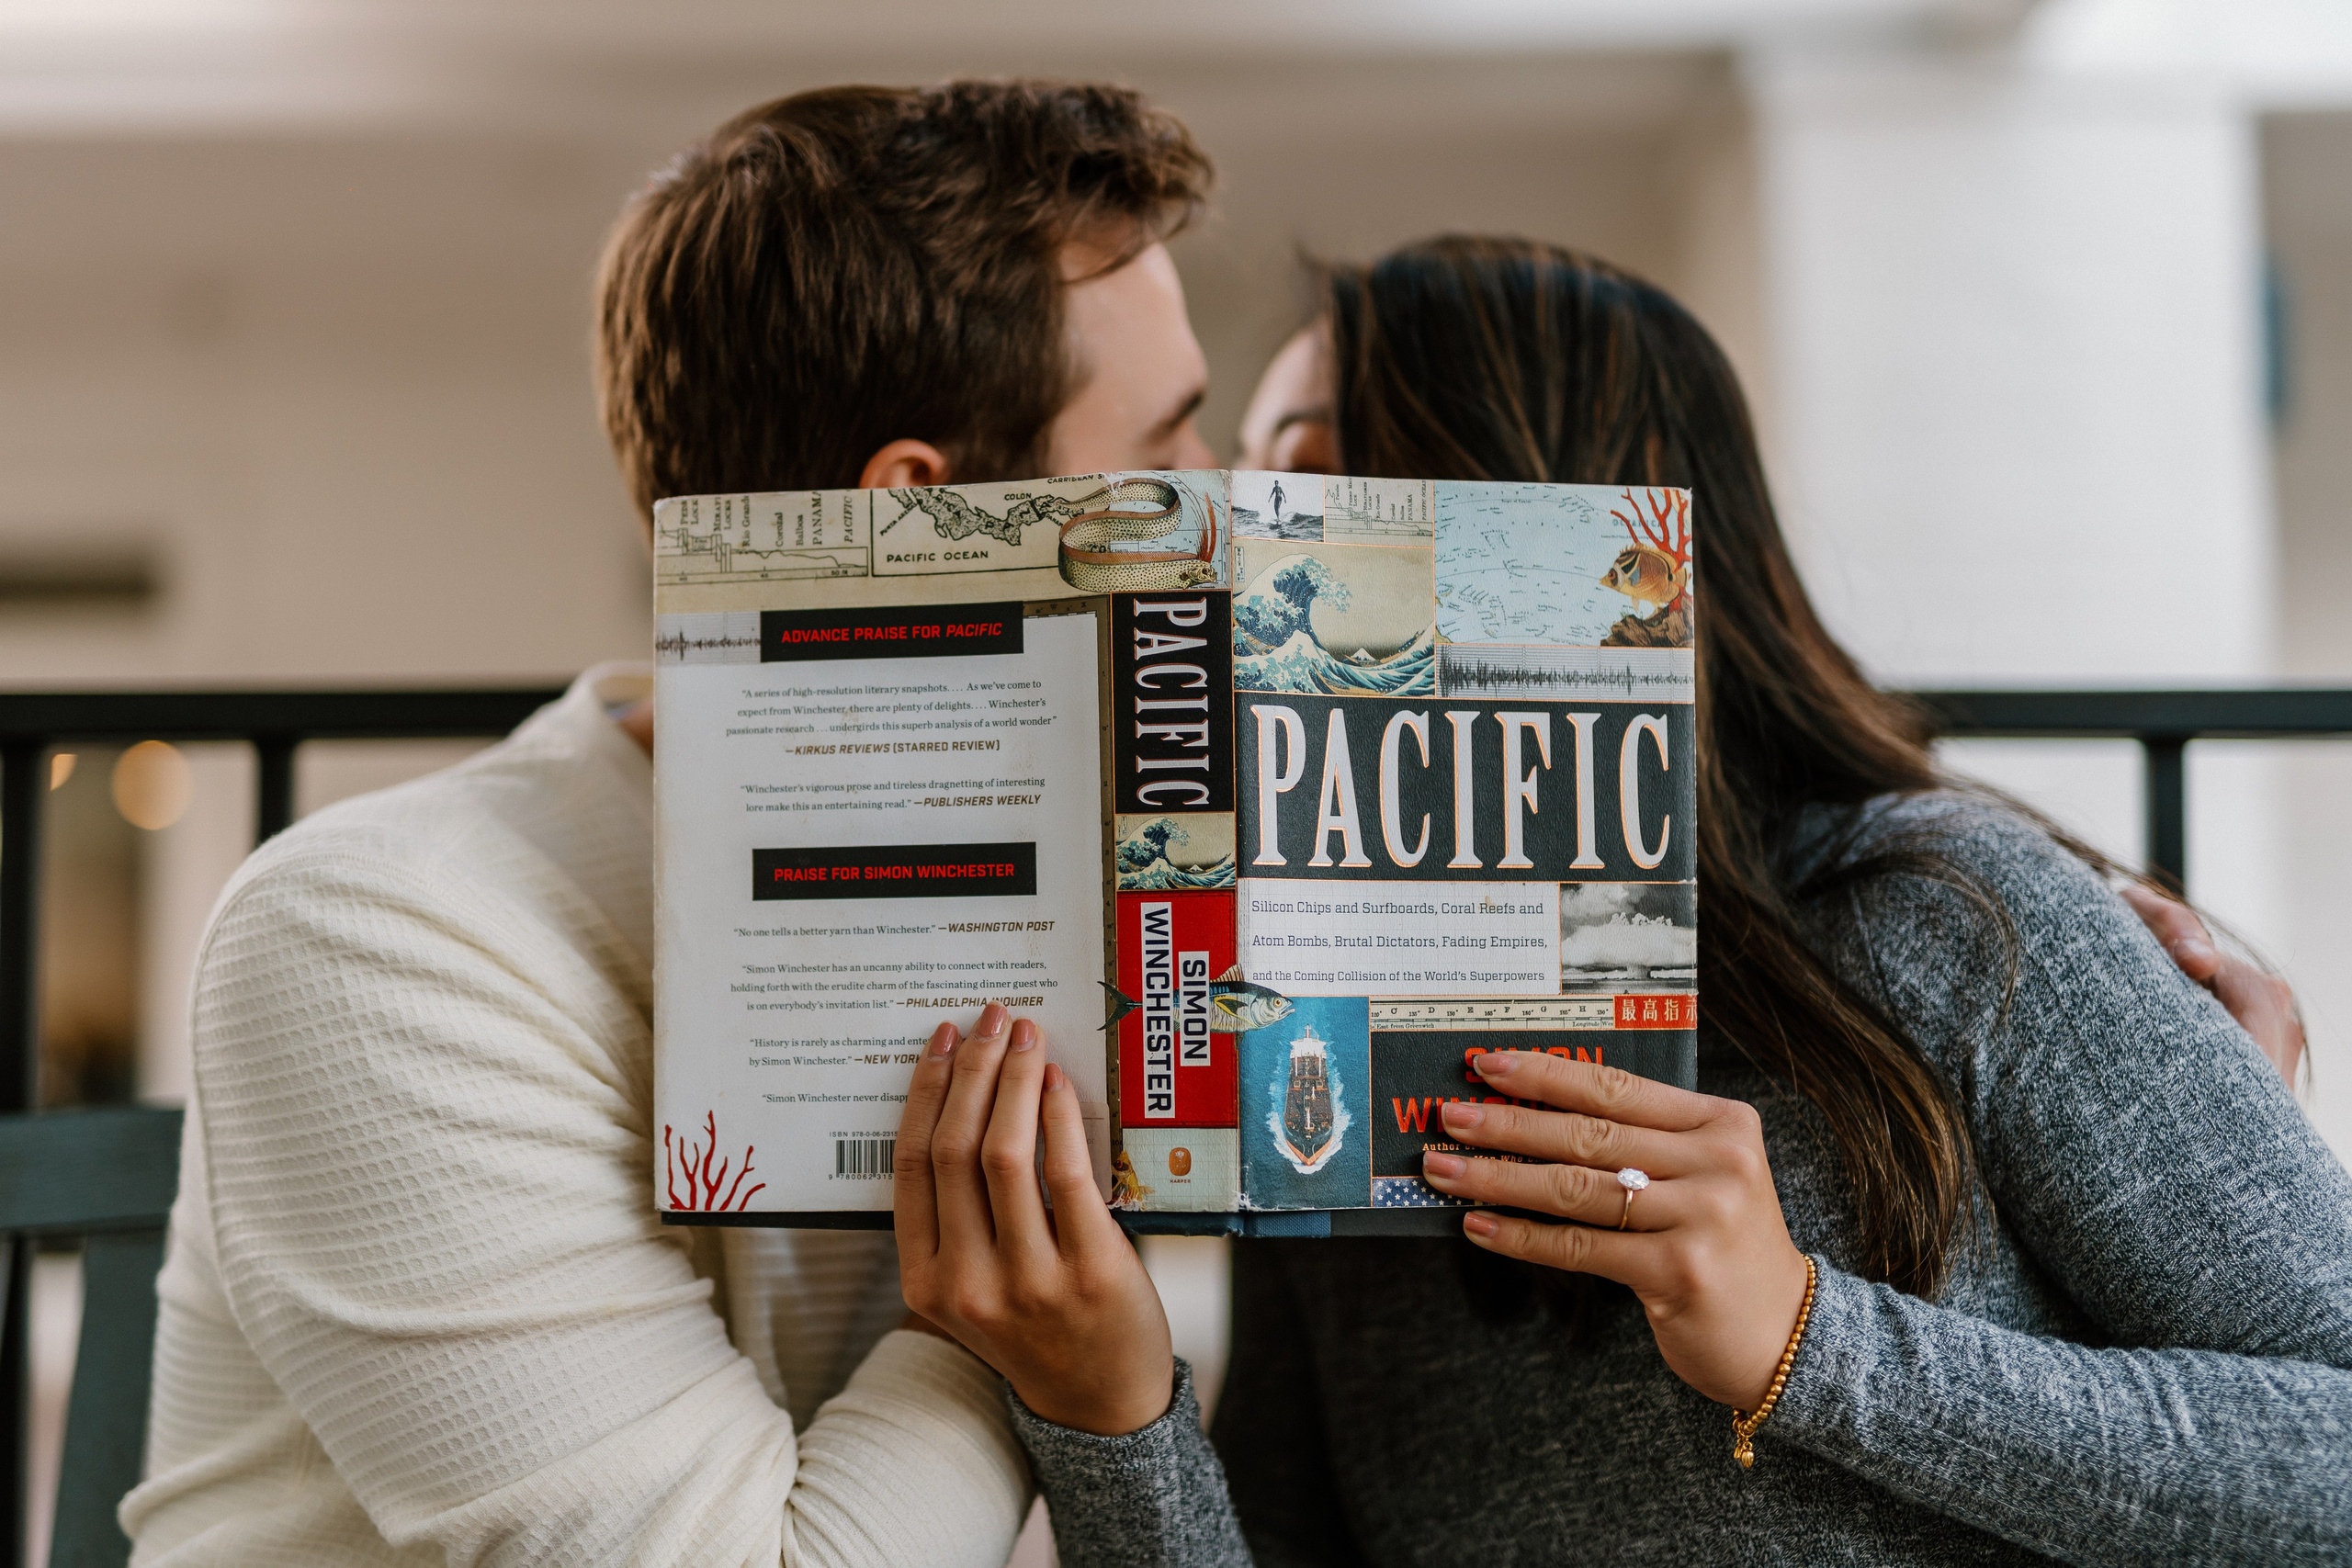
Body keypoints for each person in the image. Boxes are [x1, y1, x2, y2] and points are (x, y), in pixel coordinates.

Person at [895, 238, 2352, 1565]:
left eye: (1309, 497)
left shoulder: (1946, 918)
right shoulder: (1310, 1053)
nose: (1245, 571)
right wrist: (1108, 1412)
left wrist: (1806, 1341)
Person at [121, 80, 1216, 1567]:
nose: (1221, 518)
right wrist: (1043, 1289)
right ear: (918, 528)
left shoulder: (1081, 913)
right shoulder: (373, 938)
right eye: (1167, 459)